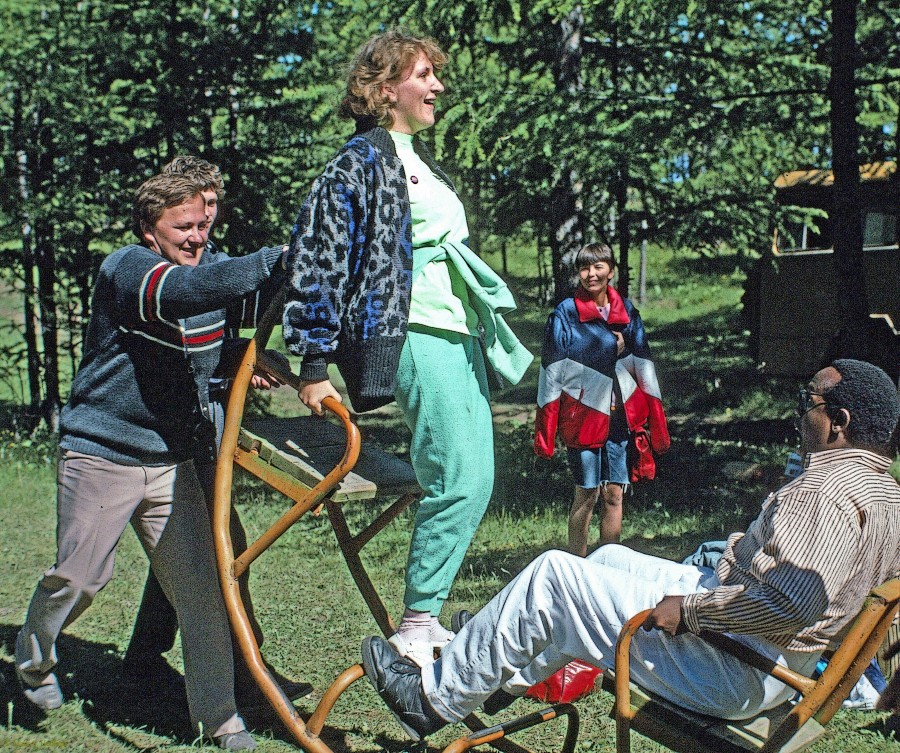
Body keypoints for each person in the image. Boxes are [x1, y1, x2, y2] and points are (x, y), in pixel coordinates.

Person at [359, 359, 900, 740]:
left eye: (809, 401)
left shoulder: (825, 493)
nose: (799, 410)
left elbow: (788, 605)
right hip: (769, 658)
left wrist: (689, 611)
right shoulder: (885, 493)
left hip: (737, 666)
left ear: (838, 423)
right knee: (604, 560)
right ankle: (502, 672)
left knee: (554, 575)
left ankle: (430, 701)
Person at [282, 29, 532, 666]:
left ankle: (429, 613)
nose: (438, 86)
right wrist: (313, 364)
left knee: (478, 476)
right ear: (385, 87)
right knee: (459, 476)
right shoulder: (356, 164)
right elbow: (318, 260)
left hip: (457, 329)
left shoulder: (420, 159)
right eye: (424, 75)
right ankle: (417, 622)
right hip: (413, 329)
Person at [15, 171, 288, 751]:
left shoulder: (207, 271)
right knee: (80, 580)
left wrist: (251, 343)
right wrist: (273, 257)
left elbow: (228, 318)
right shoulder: (128, 269)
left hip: (169, 461)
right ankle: (33, 661)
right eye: (182, 226)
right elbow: (180, 299)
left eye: (202, 225)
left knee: (206, 593)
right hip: (101, 454)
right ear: (148, 229)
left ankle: (221, 720)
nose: (196, 237)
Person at [122, 156, 310, 709]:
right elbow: (185, 311)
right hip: (152, 440)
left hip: (199, 433)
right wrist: (278, 257)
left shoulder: (210, 263)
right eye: (193, 215)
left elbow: (211, 337)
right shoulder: (141, 270)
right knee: (221, 549)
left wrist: (248, 357)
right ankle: (247, 674)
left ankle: (143, 659)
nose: (203, 227)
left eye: (210, 212)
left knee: (196, 548)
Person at [535, 243, 669, 554]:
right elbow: (552, 371)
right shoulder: (564, 315)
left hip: (621, 418)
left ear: (611, 270)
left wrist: (655, 420)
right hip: (582, 416)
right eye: (584, 267)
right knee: (586, 493)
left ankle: (608, 564)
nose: (591, 274)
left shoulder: (628, 312)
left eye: (598, 267)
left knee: (614, 493)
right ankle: (577, 565)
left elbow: (644, 365)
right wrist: (546, 431)